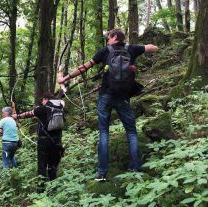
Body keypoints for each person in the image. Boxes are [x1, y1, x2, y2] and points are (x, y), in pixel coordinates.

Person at [57, 28, 159, 182]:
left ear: (114, 37)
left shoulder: (105, 51)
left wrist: (65, 78)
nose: (107, 40)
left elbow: (84, 67)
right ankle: (135, 167)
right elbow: (153, 48)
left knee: (104, 133)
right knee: (131, 132)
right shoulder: (131, 49)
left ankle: (102, 173)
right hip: (123, 97)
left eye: (108, 37)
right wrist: (144, 48)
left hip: (106, 95)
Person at [12, 93, 64, 181]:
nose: (41, 102)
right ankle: (53, 186)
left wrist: (16, 116)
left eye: (42, 100)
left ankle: (41, 188)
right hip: (57, 141)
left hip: (44, 141)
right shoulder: (60, 108)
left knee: (42, 165)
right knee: (53, 165)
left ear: (46, 99)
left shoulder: (42, 109)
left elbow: (28, 114)